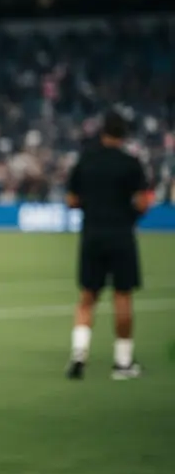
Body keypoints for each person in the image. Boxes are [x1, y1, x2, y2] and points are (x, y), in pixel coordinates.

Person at [65, 109, 151, 380]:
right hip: (121, 234)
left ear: (102, 133)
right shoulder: (131, 163)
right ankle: (123, 363)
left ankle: (79, 355)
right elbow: (143, 201)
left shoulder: (86, 160)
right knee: (122, 295)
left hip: (92, 234)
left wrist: (91, 207)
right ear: (124, 135)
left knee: (87, 298)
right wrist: (130, 216)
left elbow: (70, 200)